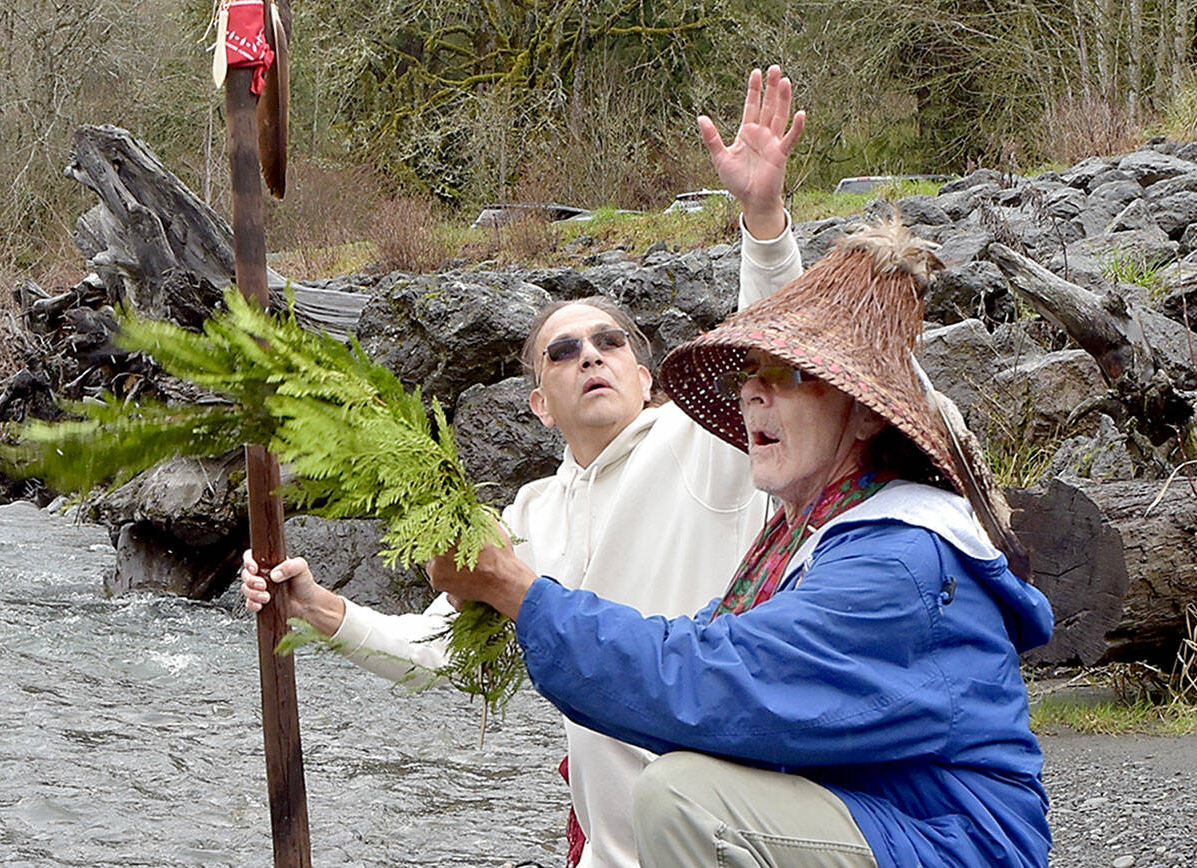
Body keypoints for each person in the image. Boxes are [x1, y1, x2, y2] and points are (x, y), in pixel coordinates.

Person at [242, 66, 808, 868]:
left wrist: (762, 217)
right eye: (564, 351)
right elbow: (436, 651)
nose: (591, 356)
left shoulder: (708, 445)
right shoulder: (530, 517)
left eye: (611, 342)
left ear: (647, 379)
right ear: (539, 402)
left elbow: (774, 352)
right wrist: (318, 609)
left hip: (726, 843)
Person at [427, 218, 1056, 867]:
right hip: (888, 822)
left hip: (951, 841)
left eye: (786, 374)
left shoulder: (898, 558)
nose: (753, 392)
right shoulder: (802, 542)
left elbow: (707, 684)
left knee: (684, 798)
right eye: (748, 375)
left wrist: (513, 589)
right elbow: (697, 658)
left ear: (866, 413)